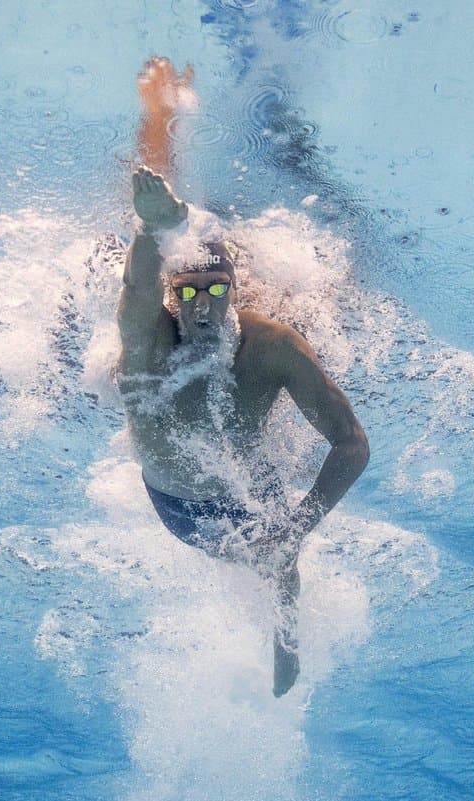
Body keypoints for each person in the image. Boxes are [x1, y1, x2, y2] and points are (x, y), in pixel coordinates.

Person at [117, 57, 369, 697]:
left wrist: (301, 525)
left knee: (283, 564)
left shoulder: (273, 345)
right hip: (177, 502)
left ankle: (286, 641)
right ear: (176, 291)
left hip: (242, 474)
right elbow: (136, 293)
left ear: (235, 288)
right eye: (190, 289)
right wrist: (153, 227)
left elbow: (352, 443)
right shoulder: (154, 340)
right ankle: (160, 116)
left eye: (217, 288)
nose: (202, 304)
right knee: (145, 218)